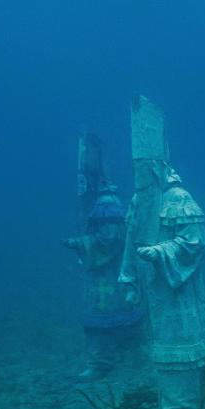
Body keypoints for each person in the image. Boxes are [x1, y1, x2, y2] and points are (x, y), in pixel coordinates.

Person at [118, 96, 205, 409]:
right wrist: (129, 279)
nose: (140, 176)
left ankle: (183, 408)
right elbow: (130, 242)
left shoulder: (178, 199)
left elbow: (195, 243)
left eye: (145, 169)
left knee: (180, 343)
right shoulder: (138, 202)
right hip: (153, 291)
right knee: (160, 345)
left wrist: (161, 252)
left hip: (177, 290)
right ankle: (171, 403)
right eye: (136, 169)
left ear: (157, 167)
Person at [63, 130, 141, 379]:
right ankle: (110, 362)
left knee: (109, 318)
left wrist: (80, 243)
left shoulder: (106, 199)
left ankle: (106, 363)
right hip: (102, 276)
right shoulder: (94, 200)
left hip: (108, 277)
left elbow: (111, 239)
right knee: (107, 318)